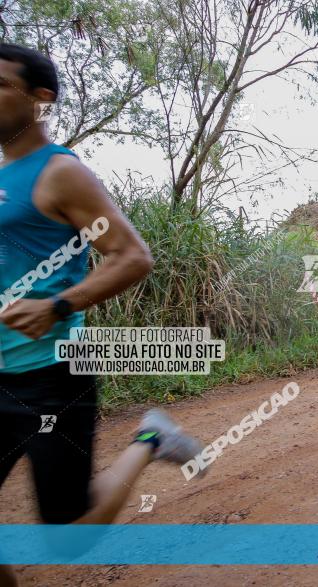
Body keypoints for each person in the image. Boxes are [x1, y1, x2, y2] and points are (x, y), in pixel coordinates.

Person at [0, 43, 204, 585]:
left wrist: (57, 305)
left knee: (69, 533)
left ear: (39, 100)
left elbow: (133, 255)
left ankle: (150, 439)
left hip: (48, 373)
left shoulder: (59, 171)